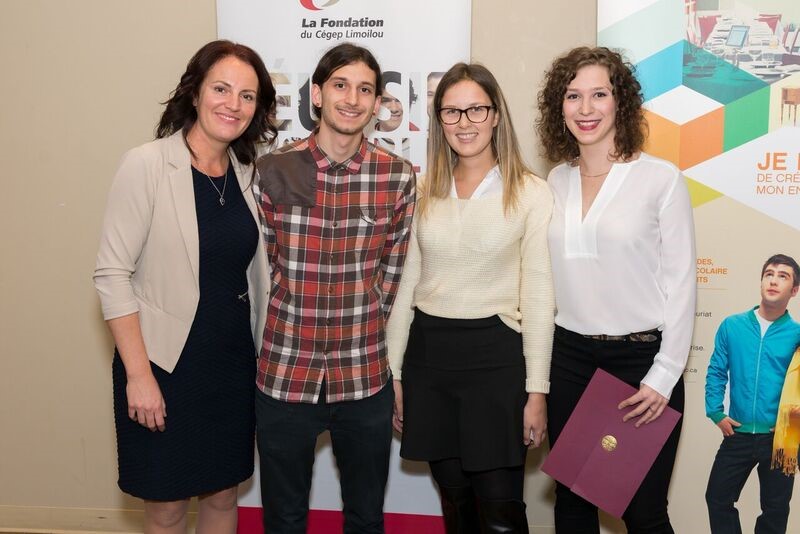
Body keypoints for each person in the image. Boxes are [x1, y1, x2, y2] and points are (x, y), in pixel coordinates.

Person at [93, 40, 276, 533]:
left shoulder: (245, 175)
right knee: (168, 507)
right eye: (221, 88)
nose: (232, 104)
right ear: (195, 93)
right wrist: (139, 376)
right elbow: (111, 275)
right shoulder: (147, 164)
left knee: (223, 495)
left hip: (233, 365)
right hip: (164, 367)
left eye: (247, 95)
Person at [252, 43, 416, 533]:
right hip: (284, 373)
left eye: (365, 89)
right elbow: (263, 269)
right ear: (318, 95)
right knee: (283, 518)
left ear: (377, 102)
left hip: (363, 378)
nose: (352, 98)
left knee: (366, 518)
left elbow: (392, 276)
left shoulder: (397, 177)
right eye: (341, 85)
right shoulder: (272, 170)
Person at [386, 62, 554, 533]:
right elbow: (404, 288)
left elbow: (539, 298)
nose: (464, 123)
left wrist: (536, 392)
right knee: (456, 506)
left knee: (501, 513)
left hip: (497, 364)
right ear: (439, 121)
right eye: (451, 112)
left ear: (496, 114)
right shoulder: (422, 192)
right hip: (429, 361)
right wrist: (394, 373)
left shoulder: (531, 193)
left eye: (476, 110)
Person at [536, 46, 696, 533]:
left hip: (641, 364)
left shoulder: (660, 179)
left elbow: (683, 284)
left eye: (599, 94)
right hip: (569, 361)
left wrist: (662, 377)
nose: (585, 109)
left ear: (620, 102)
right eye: (573, 96)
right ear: (558, 108)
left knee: (643, 513)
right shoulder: (555, 181)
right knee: (572, 505)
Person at [705, 254, 800, 534]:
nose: (773, 280)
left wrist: (792, 426)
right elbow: (716, 371)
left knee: (776, 508)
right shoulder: (732, 326)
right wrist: (715, 411)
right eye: (769, 273)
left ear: (794, 290)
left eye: (783, 276)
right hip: (738, 433)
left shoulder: (797, 334)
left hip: (783, 436)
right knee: (717, 498)